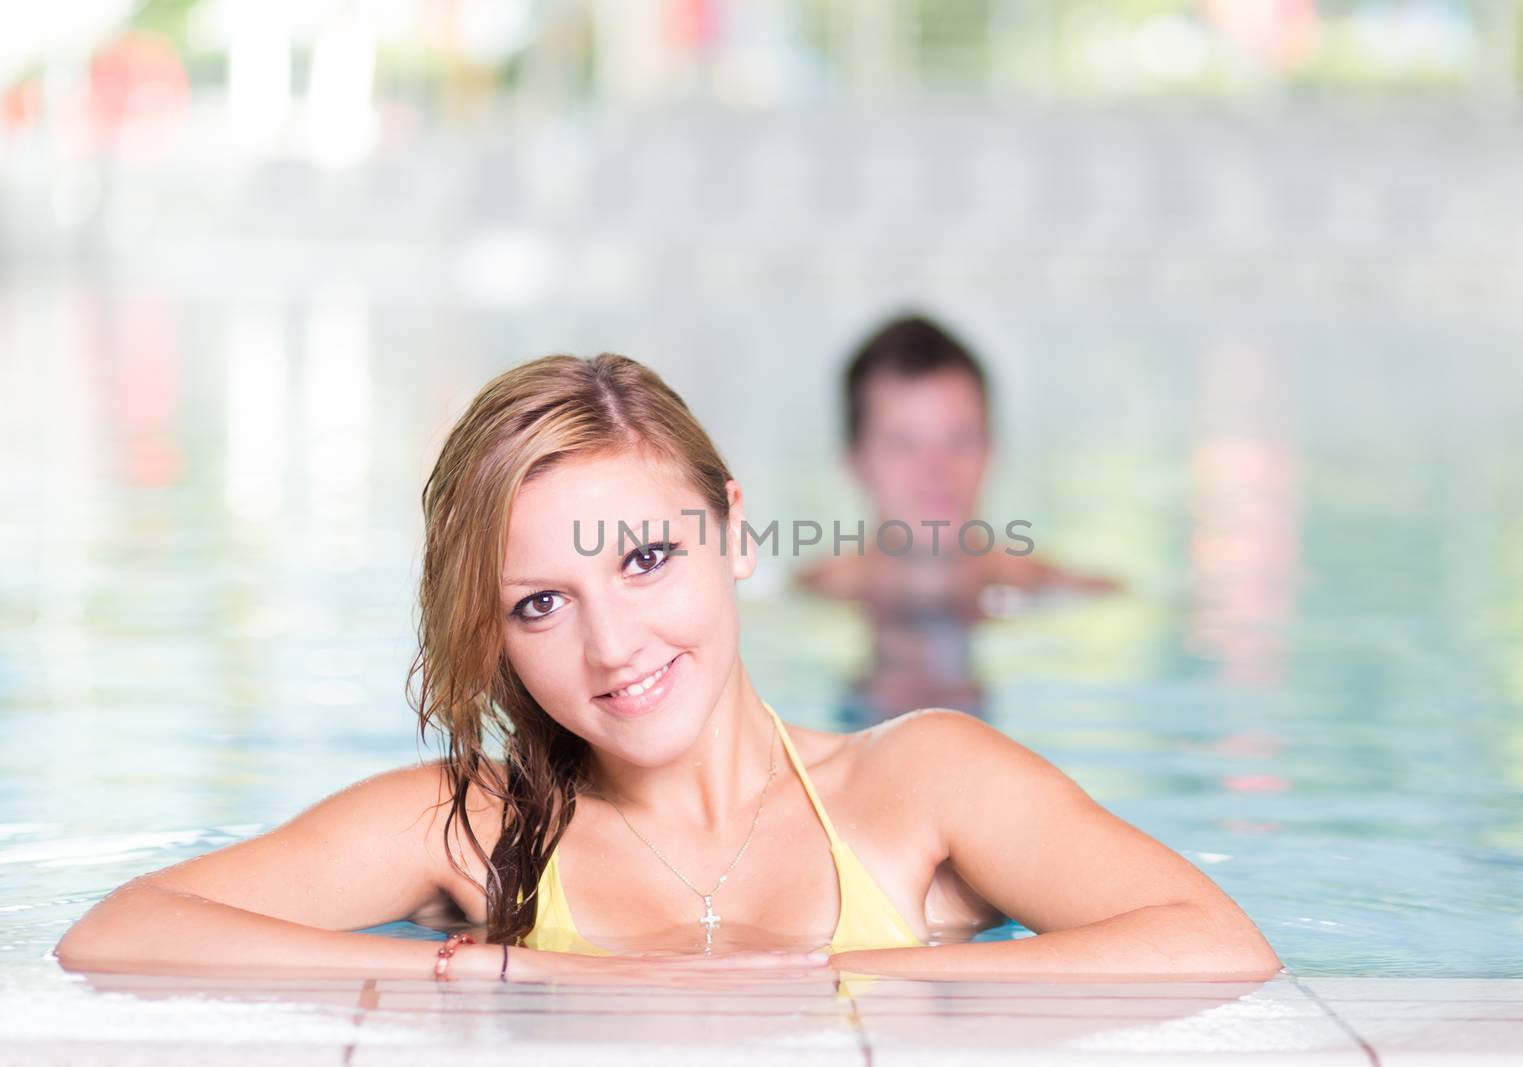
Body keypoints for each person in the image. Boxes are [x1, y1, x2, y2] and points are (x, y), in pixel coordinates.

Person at [54, 354, 1280, 983]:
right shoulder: (475, 823)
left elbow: (1217, 942)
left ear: (736, 531)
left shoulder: (918, 784)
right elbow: (120, 931)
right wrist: (465, 974)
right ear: (493, 633)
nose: (613, 644)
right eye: (541, 602)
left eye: (645, 557)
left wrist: (872, 986)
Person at [797, 314, 1121, 724]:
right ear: (853, 461)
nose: (936, 471)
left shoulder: (1079, 596)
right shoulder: (806, 598)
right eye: (904, 444)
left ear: (992, 450)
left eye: (959, 440)